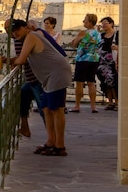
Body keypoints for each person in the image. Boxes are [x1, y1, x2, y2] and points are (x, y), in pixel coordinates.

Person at [9, 18, 73, 156]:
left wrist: (6, 60)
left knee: (57, 109)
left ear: (25, 27)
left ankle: (59, 146)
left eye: (17, 30)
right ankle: (51, 142)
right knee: (46, 108)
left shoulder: (31, 37)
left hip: (57, 74)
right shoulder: (30, 36)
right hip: (50, 77)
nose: (15, 34)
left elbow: (21, 59)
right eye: (12, 32)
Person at [69, 13, 101, 113]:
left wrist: (77, 38)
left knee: (79, 82)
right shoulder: (98, 33)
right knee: (91, 82)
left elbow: (74, 44)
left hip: (83, 59)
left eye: (85, 20)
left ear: (90, 22)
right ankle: (93, 106)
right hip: (94, 59)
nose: (83, 22)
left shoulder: (83, 33)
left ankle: (77, 105)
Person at [97, 16, 119, 110]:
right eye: (103, 24)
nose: (104, 25)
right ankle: (110, 102)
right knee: (106, 83)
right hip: (102, 62)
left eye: (106, 23)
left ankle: (117, 103)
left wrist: (117, 47)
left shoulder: (117, 34)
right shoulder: (101, 35)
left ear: (111, 24)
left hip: (113, 61)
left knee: (114, 82)